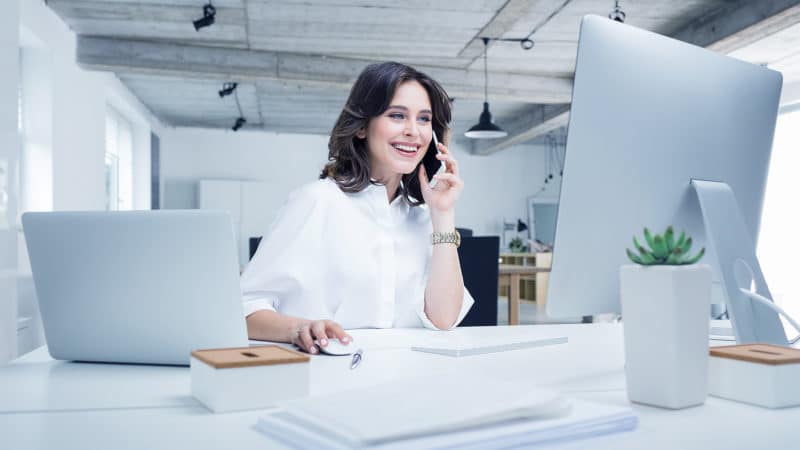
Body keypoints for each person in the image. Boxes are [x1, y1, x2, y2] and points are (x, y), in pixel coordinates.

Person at [240, 62, 474, 354]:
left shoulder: (423, 216)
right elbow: (243, 307)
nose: (414, 131)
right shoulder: (316, 201)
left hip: (402, 379)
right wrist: (299, 329)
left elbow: (443, 319)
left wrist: (442, 214)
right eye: (397, 115)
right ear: (363, 126)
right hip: (323, 376)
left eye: (424, 119)